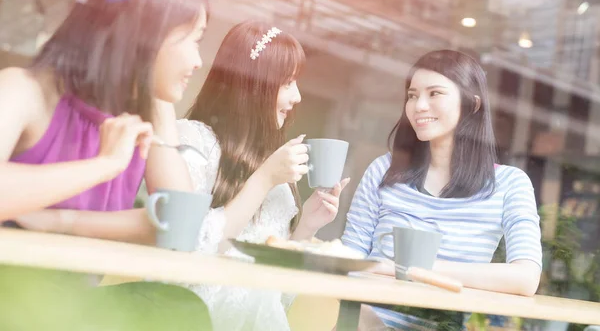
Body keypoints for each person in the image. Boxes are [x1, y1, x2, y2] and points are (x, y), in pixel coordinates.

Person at [0, 0, 212, 330]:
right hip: (11, 299)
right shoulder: (24, 90)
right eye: (193, 39)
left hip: (68, 308)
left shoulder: (137, 119)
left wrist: (59, 220)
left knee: (179, 308)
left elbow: (178, 226)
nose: (198, 61)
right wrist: (103, 165)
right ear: (147, 38)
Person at [341, 50, 542, 330]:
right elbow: (349, 259)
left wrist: (407, 269)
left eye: (434, 93)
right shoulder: (383, 169)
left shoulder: (509, 184)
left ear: (472, 105)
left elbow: (525, 278)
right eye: (412, 95)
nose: (419, 105)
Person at [176, 20, 350, 331]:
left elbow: (276, 293)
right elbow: (190, 249)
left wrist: (306, 226)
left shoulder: (272, 166)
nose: (297, 97)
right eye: (287, 83)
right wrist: (265, 179)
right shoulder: (193, 140)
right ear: (251, 85)